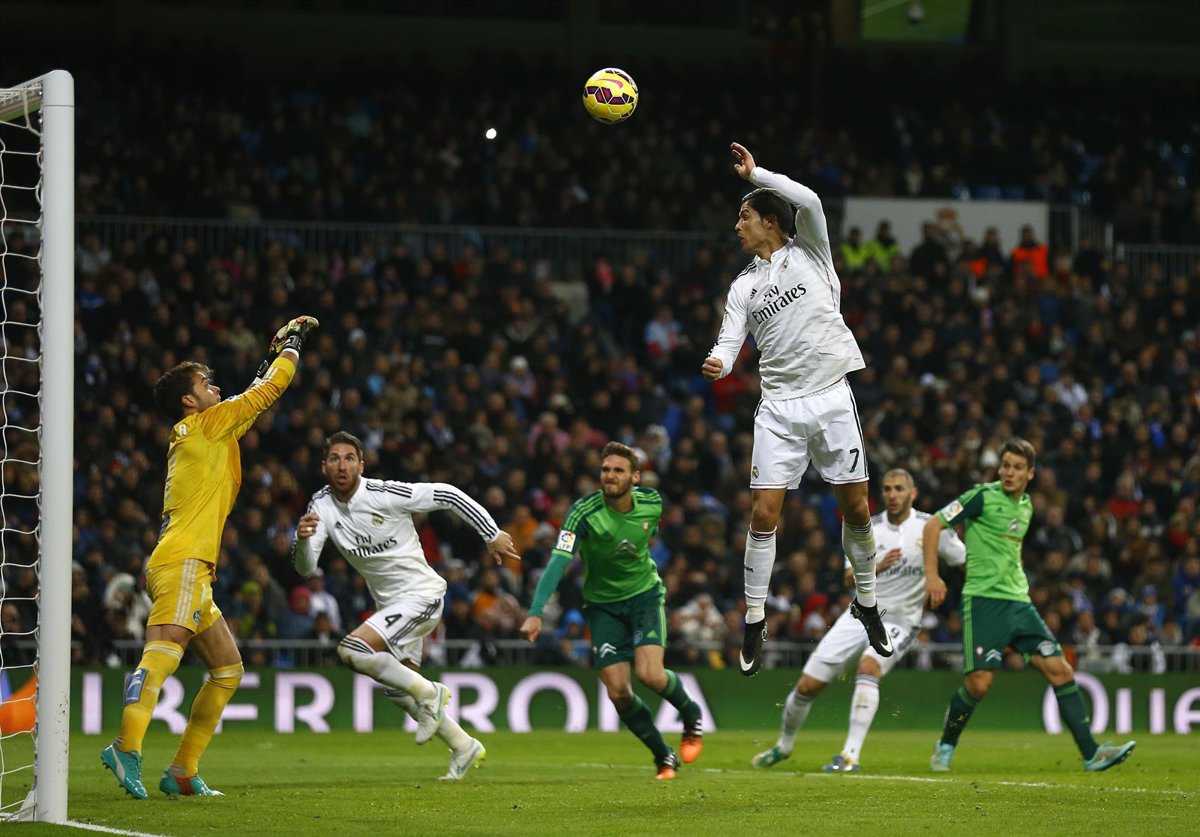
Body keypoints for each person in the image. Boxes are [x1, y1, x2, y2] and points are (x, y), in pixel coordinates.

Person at [101, 315, 319, 799]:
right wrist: (293, 346)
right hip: (183, 562)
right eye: (206, 383)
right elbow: (268, 392)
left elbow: (250, 400)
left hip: (189, 565)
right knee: (162, 653)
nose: (216, 387)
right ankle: (125, 746)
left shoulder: (206, 431)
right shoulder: (205, 425)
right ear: (188, 399)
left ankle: (182, 770)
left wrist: (268, 356)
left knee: (227, 669)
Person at [703, 142, 891, 677]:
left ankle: (867, 602)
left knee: (857, 510)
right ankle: (755, 618)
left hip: (830, 396)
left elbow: (808, 200)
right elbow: (729, 339)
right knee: (763, 515)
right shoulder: (743, 286)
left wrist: (756, 174)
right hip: (779, 409)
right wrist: (719, 361)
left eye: (744, 217)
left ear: (770, 221)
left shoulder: (811, 251)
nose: (737, 226)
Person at [293, 431, 521, 781]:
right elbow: (307, 568)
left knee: (351, 650)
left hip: (422, 595)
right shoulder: (320, 505)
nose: (342, 465)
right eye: (335, 458)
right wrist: (302, 541)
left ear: (361, 465)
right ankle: (463, 745)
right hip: (391, 607)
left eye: (349, 458)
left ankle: (431, 691)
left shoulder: (384, 494)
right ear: (324, 466)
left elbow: (448, 494)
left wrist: (491, 533)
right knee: (398, 690)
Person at [924, 438, 1136, 773]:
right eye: (1006, 465)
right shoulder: (981, 497)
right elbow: (933, 524)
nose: (1009, 472)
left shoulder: (1026, 507)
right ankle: (946, 745)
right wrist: (933, 576)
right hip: (984, 602)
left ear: (1030, 473)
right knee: (979, 684)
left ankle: (1092, 753)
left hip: (1020, 604)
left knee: (1060, 670)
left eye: (1017, 467)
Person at [752, 469, 965, 772]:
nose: (892, 495)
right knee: (807, 686)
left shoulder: (930, 527)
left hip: (900, 620)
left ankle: (850, 755)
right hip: (859, 615)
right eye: (888, 489)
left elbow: (963, 559)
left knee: (869, 666)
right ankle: (783, 746)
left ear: (913, 493)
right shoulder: (868, 528)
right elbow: (847, 578)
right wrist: (877, 567)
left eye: (899, 489)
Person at [519, 442, 703, 780]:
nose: (610, 475)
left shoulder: (652, 504)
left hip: (644, 597)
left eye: (618, 470)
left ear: (635, 477)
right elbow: (558, 561)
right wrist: (536, 611)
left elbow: (648, 536)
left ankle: (692, 716)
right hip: (602, 607)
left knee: (650, 674)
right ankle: (663, 754)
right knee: (618, 691)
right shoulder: (582, 513)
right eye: (605, 470)